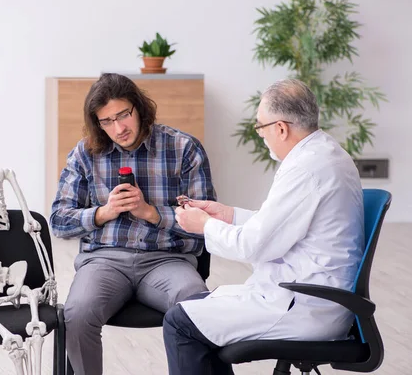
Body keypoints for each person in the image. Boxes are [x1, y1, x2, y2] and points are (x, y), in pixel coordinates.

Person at [164, 78, 364, 375]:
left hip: (305, 304)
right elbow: (283, 225)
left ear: (281, 128)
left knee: (180, 323)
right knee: (194, 307)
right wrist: (228, 215)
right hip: (307, 292)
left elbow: (253, 245)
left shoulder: (305, 169)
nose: (261, 136)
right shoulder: (324, 153)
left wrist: (204, 225)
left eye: (261, 127)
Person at [50, 73, 216, 375]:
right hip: (104, 261)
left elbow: (206, 227)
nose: (118, 128)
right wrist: (103, 212)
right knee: (77, 313)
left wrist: (152, 213)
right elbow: (59, 221)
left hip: (167, 260)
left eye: (123, 115)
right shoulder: (85, 153)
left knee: (199, 306)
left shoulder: (183, 148)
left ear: (139, 107)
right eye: (107, 121)